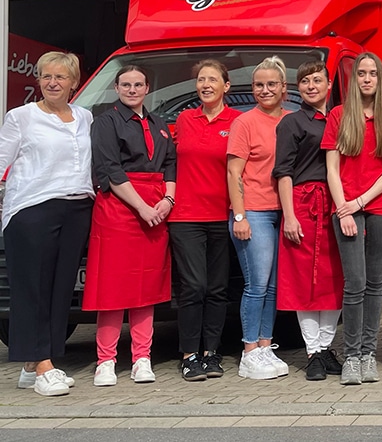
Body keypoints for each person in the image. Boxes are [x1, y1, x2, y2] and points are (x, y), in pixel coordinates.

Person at [1, 51, 94, 397]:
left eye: (60, 77)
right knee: (32, 290)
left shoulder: (84, 117)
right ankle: (42, 365)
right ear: (38, 80)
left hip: (77, 208)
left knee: (59, 291)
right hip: (32, 209)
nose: (53, 83)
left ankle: (37, 364)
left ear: (73, 82)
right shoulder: (20, 117)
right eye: (46, 76)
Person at [86, 65, 176, 387]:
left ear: (147, 87)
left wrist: (167, 202)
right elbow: (109, 168)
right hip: (119, 208)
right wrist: (142, 207)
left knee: (146, 287)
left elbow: (170, 165)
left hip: (155, 208)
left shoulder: (159, 124)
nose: (132, 90)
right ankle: (106, 361)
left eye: (138, 84)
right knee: (111, 289)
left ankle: (142, 358)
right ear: (117, 87)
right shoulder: (106, 122)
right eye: (126, 85)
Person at [322, 52, 382, 385]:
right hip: (345, 209)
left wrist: (360, 201)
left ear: (380, 79)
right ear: (353, 79)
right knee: (354, 284)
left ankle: (368, 353)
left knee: (375, 284)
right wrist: (345, 208)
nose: (367, 78)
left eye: (373, 73)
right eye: (361, 73)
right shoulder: (339, 115)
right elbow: (331, 167)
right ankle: (351, 355)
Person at [169, 59, 239, 381]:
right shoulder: (184, 119)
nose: (206, 84)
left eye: (213, 79)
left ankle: (212, 353)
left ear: (226, 86)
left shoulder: (237, 121)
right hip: (185, 216)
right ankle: (189, 355)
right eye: (201, 79)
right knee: (193, 286)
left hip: (222, 214)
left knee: (217, 288)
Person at [274, 61, 344, 381]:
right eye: (304, 81)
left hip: (336, 203)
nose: (311, 86)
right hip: (303, 203)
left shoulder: (340, 119)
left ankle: (327, 347)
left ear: (329, 84)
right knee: (305, 280)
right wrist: (289, 215)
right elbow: (284, 172)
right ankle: (313, 351)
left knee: (333, 277)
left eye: (317, 80)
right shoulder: (291, 123)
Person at [227, 56, 291, 380]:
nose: (264, 90)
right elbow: (233, 171)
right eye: (258, 85)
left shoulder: (291, 121)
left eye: (271, 84)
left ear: (283, 88)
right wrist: (240, 216)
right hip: (254, 211)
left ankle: (266, 346)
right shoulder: (245, 122)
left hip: (284, 214)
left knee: (275, 287)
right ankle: (249, 351)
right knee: (257, 286)